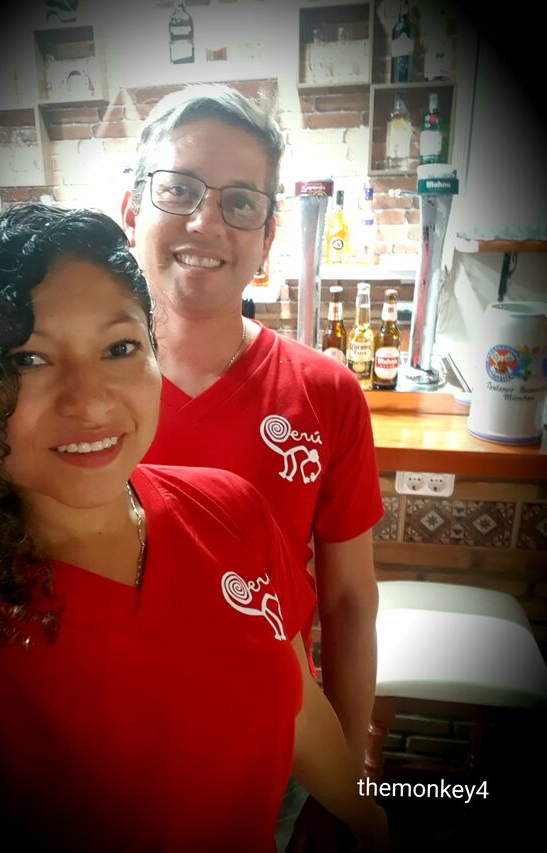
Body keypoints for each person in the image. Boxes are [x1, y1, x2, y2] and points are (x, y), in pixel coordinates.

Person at [0, 202, 387, 852]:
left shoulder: (231, 510)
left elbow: (295, 703)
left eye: (119, 348)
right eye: (28, 359)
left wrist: (365, 817)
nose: (90, 400)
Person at [120, 83, 385, 849]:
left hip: (276, 745)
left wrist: (347, 776)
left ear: (268, 238)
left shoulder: (326, 393)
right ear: (131, 210)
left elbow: (348, 601)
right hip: (108, 745)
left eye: (240, 202)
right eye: (179, 188)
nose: (206, 221)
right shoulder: (75, 396)